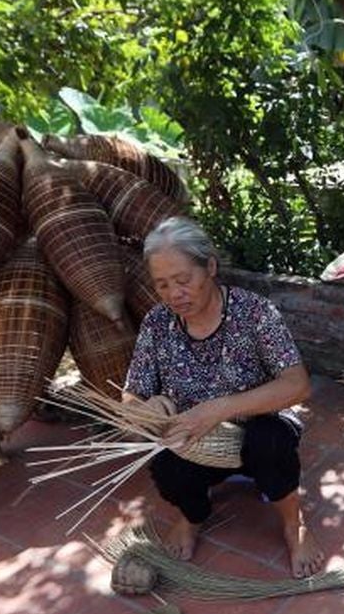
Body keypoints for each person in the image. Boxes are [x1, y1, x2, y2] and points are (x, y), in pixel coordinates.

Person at [113, 217, 324, 587]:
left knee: (269, 441)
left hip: (257, 428)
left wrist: (220, 408)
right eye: (162, 285)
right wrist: (146, 409)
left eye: (183, 280)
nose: (174, 294)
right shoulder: (157, 323)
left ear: (210, 266)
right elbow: (132, 393)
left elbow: (298, 385)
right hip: (194, 440)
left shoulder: (254, 312)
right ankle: (192, 517)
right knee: (163, 461)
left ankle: (294, 523)